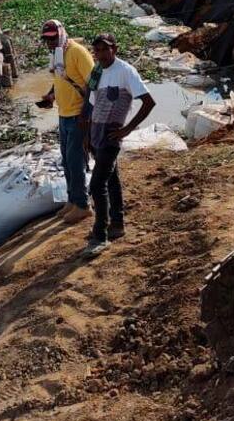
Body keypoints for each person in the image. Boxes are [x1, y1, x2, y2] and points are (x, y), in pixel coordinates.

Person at [80, 32, 155, 256]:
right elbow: (92, 105)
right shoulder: (97, 71)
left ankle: (100, 236)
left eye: (105, 49)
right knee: (111, 179)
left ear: (115, 49)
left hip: (112, 137)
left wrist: (127, 129)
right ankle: (117, 223)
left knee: (96, 185)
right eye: (97, 50)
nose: (101, 54)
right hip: (97, 134)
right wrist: (87, 137)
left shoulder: (126, 71)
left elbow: (149, 102)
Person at [36, 20, 96, 224]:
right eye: (46, 39)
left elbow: (93, 86)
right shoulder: (57, 54)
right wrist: (51, 96)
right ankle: (73, 200)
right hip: (64, 114)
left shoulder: (77, 52)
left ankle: (82, 206)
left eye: (52, 38)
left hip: (78, 115)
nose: (49, 43)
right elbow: (61, 80)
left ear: (60, 35)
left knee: (75, 160)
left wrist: (85, 115)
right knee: (67, 160)